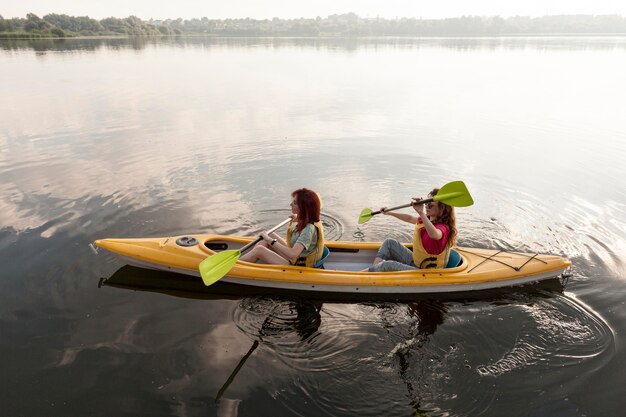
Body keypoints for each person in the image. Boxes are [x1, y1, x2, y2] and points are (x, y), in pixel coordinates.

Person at [365, 188, 457, 272]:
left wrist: (421, 212)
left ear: (442, 208)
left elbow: (435, 235)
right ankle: (374, 272)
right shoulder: (427, 220)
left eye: (430, 205)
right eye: (425, 203)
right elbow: (409, 218)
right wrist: (389, 213)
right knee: (389, 243)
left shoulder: (443, 228)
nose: (426, 207)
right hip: (417, 262)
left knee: (387, 265)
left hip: (426, 272)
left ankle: (367, 275)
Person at [239, 188, 325, 267]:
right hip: (296, 257)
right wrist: (298, 217)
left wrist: (270, 241)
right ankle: (248, 259)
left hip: (297, 265)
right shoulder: (309, 218)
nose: (290, 204)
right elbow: (309, 212)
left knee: (260, 249)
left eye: (294, 203)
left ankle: (237, 265)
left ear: (303, 208)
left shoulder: (308, 229)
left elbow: (293, 254)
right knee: (269, 234)